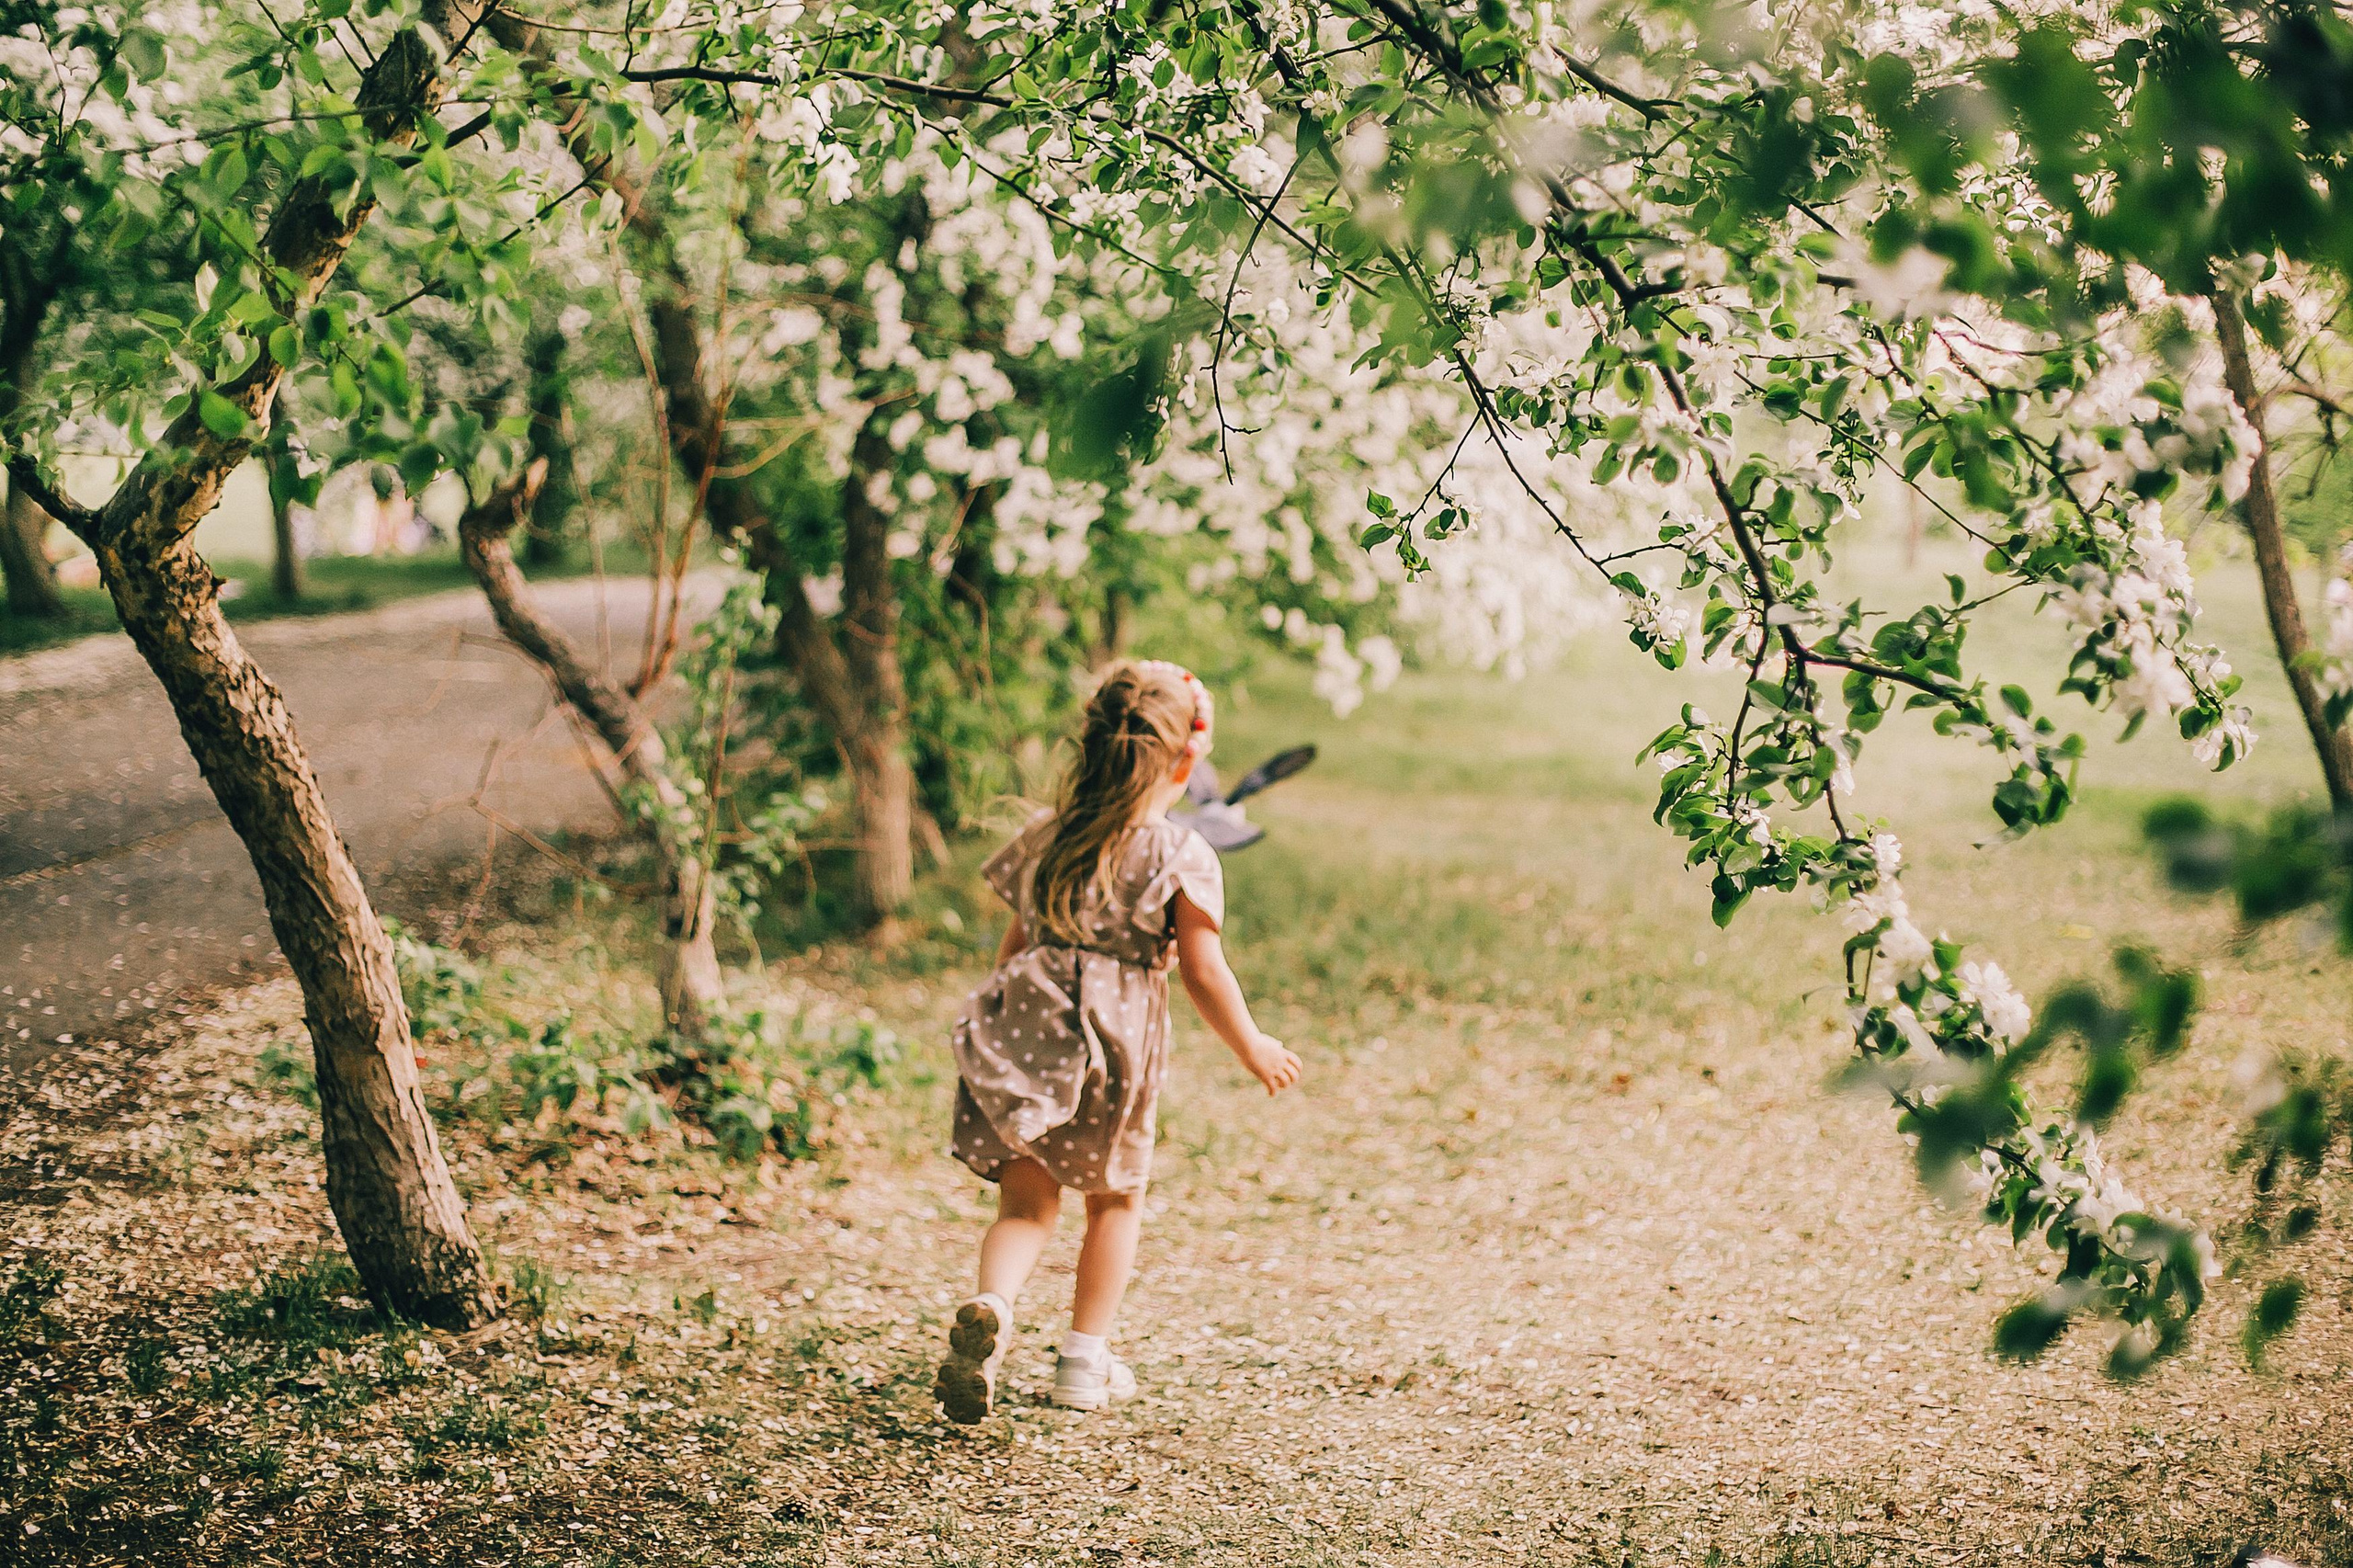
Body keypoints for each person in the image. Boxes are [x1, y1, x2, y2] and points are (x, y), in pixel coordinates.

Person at [935, 658, 1302, 1423]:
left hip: (1027, 1038)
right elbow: (1203, 971)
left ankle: (992, 1306)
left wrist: (1002, 1039)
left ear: (1091, 748)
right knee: (1114, 1202)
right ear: (1187, 759)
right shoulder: (1180, 855)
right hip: (1115, 1050)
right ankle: (1081, 1362)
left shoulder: (1045, 834)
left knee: (1026, 1205)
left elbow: (1015, 945)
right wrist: (1253, 1045)